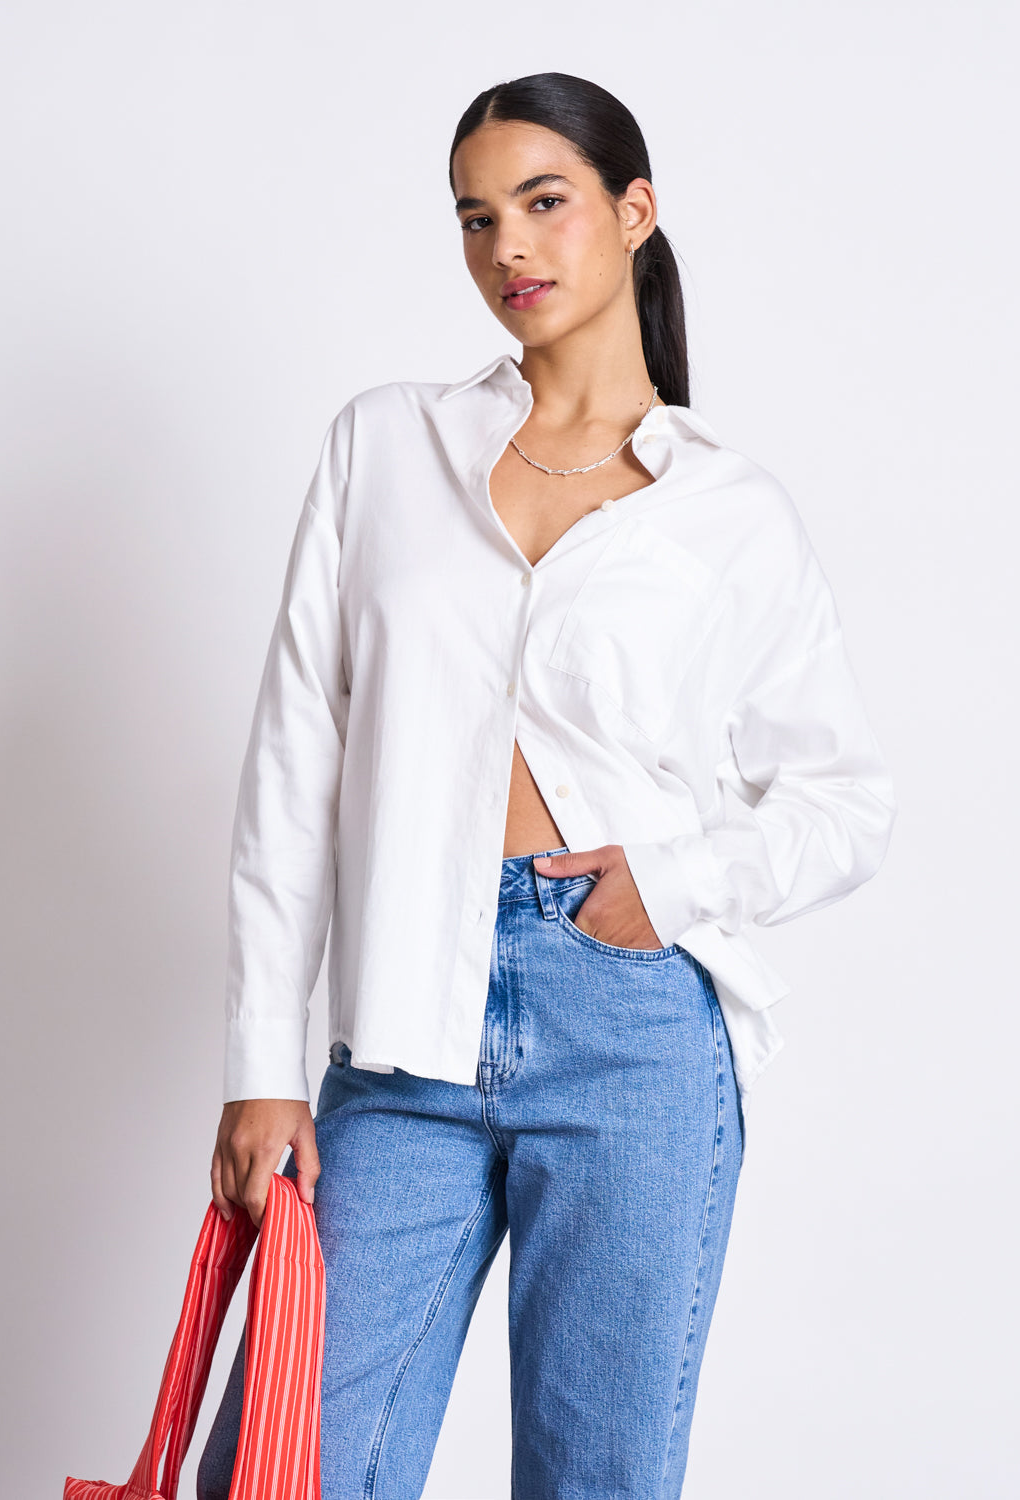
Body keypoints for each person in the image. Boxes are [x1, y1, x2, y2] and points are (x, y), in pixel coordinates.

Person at [196, 71, 897, 1500]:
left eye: (543, 201)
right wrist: (264, 1063)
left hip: (634, 1030)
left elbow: (844, 802)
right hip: (402, 1038)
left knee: (597, 1479)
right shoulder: (386, 446)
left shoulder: (730, 514)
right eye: (476, 217)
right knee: (284, 1468)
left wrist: (674, 886)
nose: (506, 245)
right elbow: (294, 757)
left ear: (635, 213)